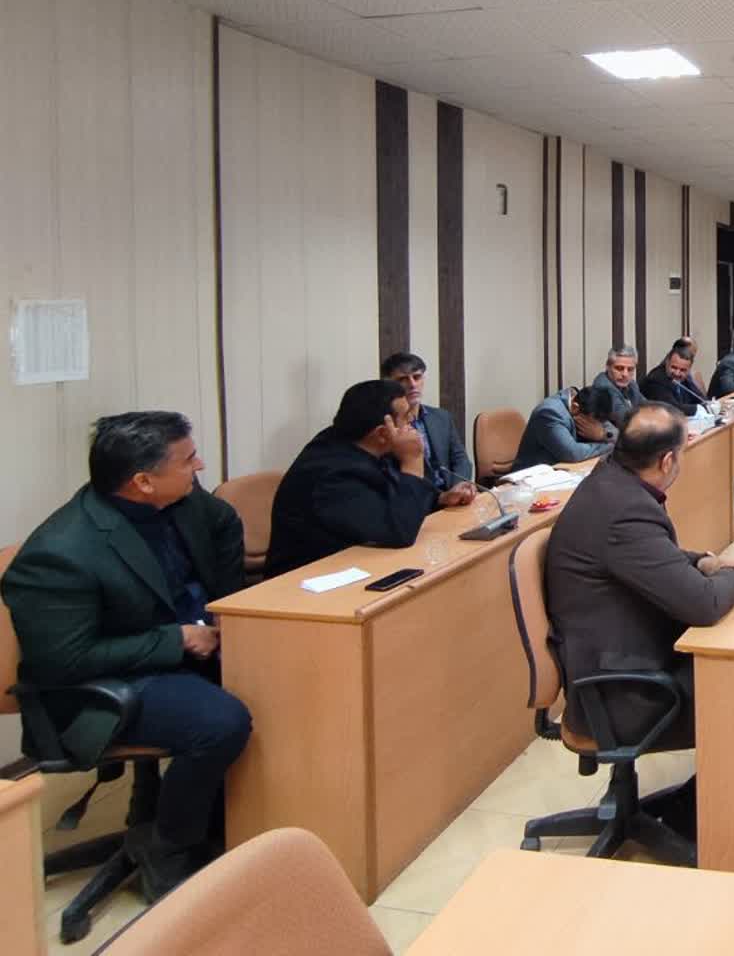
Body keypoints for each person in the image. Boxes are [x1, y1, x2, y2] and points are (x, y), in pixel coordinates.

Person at [1, 412, 251, 898]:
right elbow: (64, 661)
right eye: (187, 460)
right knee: (222, 721)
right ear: (142, 482)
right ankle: (169, 844)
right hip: (99, 685)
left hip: (177, 647)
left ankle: (222, 820)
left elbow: (223, 521)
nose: (200, 466)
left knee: (277, 679)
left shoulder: (180, 502)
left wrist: (223, 608)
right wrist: (177, 639)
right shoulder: (61, 552)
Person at [545, 404, 734, 759]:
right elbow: (704, 605)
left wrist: (704, 561)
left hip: (624, 658)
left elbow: (653, 555)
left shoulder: (611, 481)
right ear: (667, 461)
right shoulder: (624, 511)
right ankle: (715, 794)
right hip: (626, 693)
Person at [266, 380, 444, 578]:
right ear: (382, 433)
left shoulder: (369, 444)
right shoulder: (332, 475)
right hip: (308, 581)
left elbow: (402, 493)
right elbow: (401, 532)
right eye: (406, 417)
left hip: (359, 563)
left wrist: (440, 499)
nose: (412, 421)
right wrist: (412, 460)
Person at [381, 351, 475, 498]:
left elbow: (461, 459)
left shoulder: (441, 417)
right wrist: (440, 498)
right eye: (403, 379)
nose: (412, 384)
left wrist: (458, 487)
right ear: (388, 384)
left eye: (417, 377)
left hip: (453, 494)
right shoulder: (386, 427)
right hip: (418, 501)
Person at [513, 383, 621, 470]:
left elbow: (617, 435)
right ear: (575, 407)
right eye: (593, 422)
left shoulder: (591, 405)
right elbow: (572, 453)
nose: (598, 426)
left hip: (565, 470)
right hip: (531, 477)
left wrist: (604, 435)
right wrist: (609, 445)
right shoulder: (550, 413)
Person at [591, 345, 645, 422]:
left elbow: (648, 406)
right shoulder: (603, 387)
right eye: (619, 368)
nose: (625, 374)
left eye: (630, 369)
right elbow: (626, 420)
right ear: (608, 366)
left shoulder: (631, 384)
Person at [643, 345, 703, 411]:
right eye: (674, 367)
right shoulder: (656, 380)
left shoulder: (686, 379)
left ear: (689, 369)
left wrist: (708, 406)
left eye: (682, 370)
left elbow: (701, 399)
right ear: (667, 362)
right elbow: (672, 408)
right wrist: (698, 408)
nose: (677, 373)